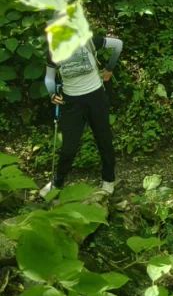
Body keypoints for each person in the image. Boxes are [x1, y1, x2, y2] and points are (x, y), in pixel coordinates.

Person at [40, 30, 123, 197]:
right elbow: (49, 78)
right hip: (71, 103)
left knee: (104, 140)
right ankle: (57, 183)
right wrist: (51, 93)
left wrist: (109, 68)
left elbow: (118, 44)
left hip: (96, 98)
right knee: (68, 148)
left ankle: (108, 179)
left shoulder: (88, 41)